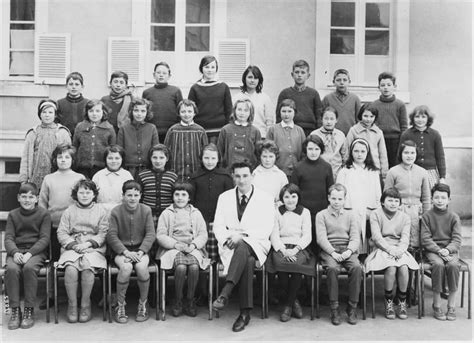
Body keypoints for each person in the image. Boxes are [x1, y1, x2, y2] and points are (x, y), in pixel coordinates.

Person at [212, 161, 274, 332]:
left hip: (257, 242)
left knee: (244, 248)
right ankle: (244, 314)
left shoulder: (265, 198)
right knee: (247, 260)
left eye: (245, 176)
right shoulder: (224, 197)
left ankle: (226, 292)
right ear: (233, 177)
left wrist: (242, 237)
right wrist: (228, 238)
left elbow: (266, 227)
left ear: (252, 176)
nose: (242, 180)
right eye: (237, 176)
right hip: (231, 244)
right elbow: (218, 225)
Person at [56, 179, 108, 323]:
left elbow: (103, 233)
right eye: (81, 192)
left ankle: (85, 304)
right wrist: (73, 245)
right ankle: (72, 305)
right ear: (76, 194)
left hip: (93, 248)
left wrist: (88, 244)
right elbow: (62, 233)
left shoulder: (101, 211)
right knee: (71, 269)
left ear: (94, 194)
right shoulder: (69, 211)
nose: (84, 195)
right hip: (73, 247)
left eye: (88, 192)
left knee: (87, 268)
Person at [365, 188, 419, 320]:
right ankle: (388, 301)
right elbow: (377, 237)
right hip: (381, 248)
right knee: (391, 267)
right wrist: (390, 250)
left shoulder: (405, 217)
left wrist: (399, 250)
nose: (393, 203)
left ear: (400, 203)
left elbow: (405, 238)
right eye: (390, 200)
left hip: (399, 248)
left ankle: (401, 301)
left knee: (404, 267)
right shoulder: (375, 214)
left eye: (396, 201)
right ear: (382, 202)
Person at [156, 182, 209, 317]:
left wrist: (194, 245)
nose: (180, 198)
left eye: (184, 195)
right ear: (173, 196)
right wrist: (175, 244)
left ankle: (190, 300)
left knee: (194, 268)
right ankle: (178, 300)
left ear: (189, 197)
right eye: (177, 194)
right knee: (180, 268)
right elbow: (161, 235)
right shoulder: (166, 213)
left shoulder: (196, 213)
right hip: (173, 248)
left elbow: (203, 234)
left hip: (192, 247)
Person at [107, 180, 155, 323]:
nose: (132, 198)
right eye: (129, 195)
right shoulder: (116, 211)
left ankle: (143, 303)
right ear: (123, 196)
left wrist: (141, 251)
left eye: (135, 195)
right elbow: (111, 235)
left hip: (141, 251)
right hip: (123, 251)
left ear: (140, 195)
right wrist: (125, 252)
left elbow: (151, 234)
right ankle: (120, 305)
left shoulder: (146, 210)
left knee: (141, 267)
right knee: (126, 268)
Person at [4, 183, 51, 330]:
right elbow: (9, 238)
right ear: (18, 198)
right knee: (11, 269)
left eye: (31, 197)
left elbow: (44, 238)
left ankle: (29, 310)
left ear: (36, 199)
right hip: (17, 251)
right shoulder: (13, 214)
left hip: (36, 252)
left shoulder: (44, 214)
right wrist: (15, 252)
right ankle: (15, 310)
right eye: (24, 196)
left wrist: (30, 253)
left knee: (29, 268)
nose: (27, 200)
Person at [316, 183, 361, 325]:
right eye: (334, 198)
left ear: (344, 199)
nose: (336, 202)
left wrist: (348, 251)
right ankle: (334, 308)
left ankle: (352, 307)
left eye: (340, 199)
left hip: (348, 249)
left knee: (357, 268)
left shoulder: (351, 215)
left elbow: (355, 238)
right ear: (328, 198)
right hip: (329, 250)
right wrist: (333, 253)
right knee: (332, 268)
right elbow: (321, 238)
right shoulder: (321, 215)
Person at [267, 183, 312, 322]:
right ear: (282, 198)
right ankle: (294, 302)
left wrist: (295, 250)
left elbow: (307, 235)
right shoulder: (276, 212)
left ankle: (287, 305)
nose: (290, 200)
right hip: (281, 246)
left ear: (298, 197)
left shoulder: (305, 212)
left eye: (293, 196)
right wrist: (283, 250)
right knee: (280, 263)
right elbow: (274, 235)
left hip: (299, 246)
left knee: (297, 264)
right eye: (286, 197)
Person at [421, 183, 462, 321]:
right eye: (436, 197)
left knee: (453, 265)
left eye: (443, 197)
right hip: (433, 250)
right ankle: (437, 304)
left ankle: (451, 305)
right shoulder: (427, 216)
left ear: (449, 199)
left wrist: (448, 250)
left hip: (450, 250)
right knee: (438, 265)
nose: (440, 200)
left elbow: (457, 240)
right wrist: (439, 250)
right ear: (432, 199)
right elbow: (425, 238)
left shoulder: (454, 217)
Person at [39, 145, 85, 262]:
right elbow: (42, 203)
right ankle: (55, 279)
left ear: (73, 160)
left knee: (73, 257)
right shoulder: (49, 178)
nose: (63, 160)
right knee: (55, 257)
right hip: (54, 225)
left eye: (67, 157)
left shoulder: (79, 178)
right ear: (55, 160)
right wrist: (45, 221)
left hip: (74, 226)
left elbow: (84, 201)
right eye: (60, 157)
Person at [336, 138, 381, 254]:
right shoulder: (345, 171)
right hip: (350, 211)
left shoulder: (373, 172)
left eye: (362, 151)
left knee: (367, 241)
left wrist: (374, 211)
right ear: (351, 152)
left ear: (367, 153)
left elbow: (378, 195)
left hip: (368, 212)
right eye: (356, 151)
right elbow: (338, 193)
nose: (359, 154)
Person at [190, 143, 233, 262]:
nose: (210, 161)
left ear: (218, 158)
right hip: (200, 220)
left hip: (219, 221)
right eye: (206, 158)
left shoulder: (225, 176)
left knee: (217, 252)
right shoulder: (195, 177)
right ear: (201, 158)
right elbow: (191, 202)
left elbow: (230, 202)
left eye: (213, 158)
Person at [290, 134, 334, 252]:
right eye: (310, 149)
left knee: (319, 242)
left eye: (316, 149)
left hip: (322, 211)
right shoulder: (299, 167)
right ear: (305, 150)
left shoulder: (326, 167)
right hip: (304, 212)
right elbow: (294, 191)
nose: (313, 152)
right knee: (306, 243)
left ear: (321, 150)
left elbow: (330, 190)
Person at [384, 140, 431, 249]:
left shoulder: (422, 172)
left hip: (416, 211)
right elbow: (387, 195)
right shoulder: (393, 172)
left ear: (416, 154)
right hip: (398, 210)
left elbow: (426, 197)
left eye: (412, 153)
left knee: (415, 242)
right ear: (401, 154)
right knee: (399, 240)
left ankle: (416, 261)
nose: (409, 156)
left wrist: (426, 215)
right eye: (406, 153)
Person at [19, 99, 71, 190]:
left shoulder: (62, 132)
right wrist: (24, 179)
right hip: (36, 175)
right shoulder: (33, 133)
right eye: (44, 112)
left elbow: (69, 156)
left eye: (50, 112)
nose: (47, 115)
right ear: (40, 114)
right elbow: (25, 158)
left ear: (55, 115)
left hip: (56, 175)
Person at [400, 105, 446, 189]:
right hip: (411, 171)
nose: (420, 120)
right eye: (417, 117)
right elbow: (400, 156)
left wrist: (442, 177)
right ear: (413, 118)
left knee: (430, 197)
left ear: (428, 119)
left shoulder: (435, 134)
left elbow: (440, 157)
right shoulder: (406, 134)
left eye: (423, 117)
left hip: (430, 172)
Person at [188, 55, 232, 143]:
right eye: (206, 67)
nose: (210, 70)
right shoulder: (195, 88)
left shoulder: (223, 86)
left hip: (219, 131)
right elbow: (190, 109)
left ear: (216, 69)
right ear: (201, 68)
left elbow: (229, 110)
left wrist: (227, 130)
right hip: (200, 131)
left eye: (213, 67)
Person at [164, 99, 208, 180]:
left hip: (196, 172)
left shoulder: (200, 130)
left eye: (189, 111)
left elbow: (206, 151)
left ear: (194, 113)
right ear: (179, 113)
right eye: (183, 111)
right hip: (177, 173)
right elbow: (166, 151)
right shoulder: (173, 130)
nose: (186, 114)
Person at [370, 72, 408, 168]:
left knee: (395, 167)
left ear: (394, 86)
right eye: (382, 85)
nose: (386, 87)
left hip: (396, 142)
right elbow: (371, 125)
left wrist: (401, 145)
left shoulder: (400, 105)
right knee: (380, 166)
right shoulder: (374, 105)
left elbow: (404, 127)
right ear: (378, 87)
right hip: (379, 140)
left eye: (389, 85)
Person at [276, 60, 323, 136]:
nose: (299, 75)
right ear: (292, 74)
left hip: (310, 131)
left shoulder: (313, 93)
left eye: (303, 72)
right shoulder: (285, 93)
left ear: (308, 75)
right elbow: (279, 116)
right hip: (290, 130)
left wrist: (318, 133)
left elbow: (319, 116)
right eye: (297, 72)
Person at [73, 99, 116, 179]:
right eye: (91, 111)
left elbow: (112, 148)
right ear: (87, 112)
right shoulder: (80, 127)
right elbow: (75, 146)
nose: (94, 114)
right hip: (82, 167)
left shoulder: (109, 128)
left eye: (97, 111)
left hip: (101, 167)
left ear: (103, 112)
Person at [137, 144, 178, 226]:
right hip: (147, 216)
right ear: (150, 158)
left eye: (161, 157)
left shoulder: (173, 177)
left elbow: (175, 198)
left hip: (167, 216)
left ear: (167, 159)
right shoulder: (142, 176)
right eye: (155, 157)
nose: (158, 161)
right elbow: (139, 197)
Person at [117, 98, 159, 178]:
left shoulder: (152, 128)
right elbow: (120, 151)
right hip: (128, 169)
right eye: (136, 110)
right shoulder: (124, 129)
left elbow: (155, 149)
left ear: (147, 113)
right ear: (131, 112)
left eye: (143, 111)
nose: (139, 114)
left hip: (147, 168)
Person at [142, 62, 183, 142]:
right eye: (158, 73)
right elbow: (144, 114)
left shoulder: (176, 91)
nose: (161, 75)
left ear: (169, 76)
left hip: (172, 132)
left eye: (164, 73)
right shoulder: (147, 93)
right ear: (154, 75)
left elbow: (180, 112)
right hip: (153, 132)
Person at [346, 103, 389, 179]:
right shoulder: (354, 131)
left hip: (374, 168)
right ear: (360, 115)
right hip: (357, 168)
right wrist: (347, 166)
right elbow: (347, 150)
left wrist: (384, 171)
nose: (368, 119)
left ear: (375, 117)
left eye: (371, 116)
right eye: (365, 116)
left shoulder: (378, 132)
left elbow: (382, 153)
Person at [217, 98, 261, 169]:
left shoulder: (255, 131)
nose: (242, 113)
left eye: (246, 110)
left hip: (249, 171)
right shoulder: (225, 130)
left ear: (251, 112)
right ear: (234, 111)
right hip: (229, 170)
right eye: (239, 109)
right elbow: (220, 152)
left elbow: (258, 155)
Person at [266, 99, 306, 178]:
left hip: (296, 172)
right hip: (278, 171)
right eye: (283, 111)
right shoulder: (273, 130)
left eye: (289, 111)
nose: (286, 114)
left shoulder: (299, 130)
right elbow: (268, 150)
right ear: (279, 112)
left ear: (294, 112)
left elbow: (304, 152)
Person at [234, 65, 274, 138]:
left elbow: (269, 122)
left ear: (259, 80)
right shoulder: (237, 98)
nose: (252, 80)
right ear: (244, 79)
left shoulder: (265, 98)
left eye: (255, 78)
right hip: (241, 136)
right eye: (250, 77)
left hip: (261, 137)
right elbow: (233, 119)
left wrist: (267, 139)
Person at [92, 145, 133, 212]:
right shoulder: (98, 176)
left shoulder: (127, 175)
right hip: (101, 213)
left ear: (122, 159)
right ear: (105, 159)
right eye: (110, 158)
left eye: (117, 158)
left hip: (121, 212)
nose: (113, 161)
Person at [311, 106, 348, 179]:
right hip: (319, 173)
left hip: (337, 173)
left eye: (332, 119)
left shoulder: (340, 135)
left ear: (336, 120)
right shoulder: (314, 135)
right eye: (326, 118)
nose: (329, 122)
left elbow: (345, 155)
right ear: (321, 119)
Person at [321, 69, 361, 135]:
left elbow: (359, 120)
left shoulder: (355, 99)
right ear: (333, 82)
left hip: (350, 136)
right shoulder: (327, 98)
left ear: (349, 82)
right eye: (338, 80)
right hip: (332, 136)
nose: (342, 82)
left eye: (345, 80)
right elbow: (322, 119)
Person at [57, 72, 89, 136]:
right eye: (71, 84)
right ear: (66, 86)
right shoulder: (59, 103)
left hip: (83, 138)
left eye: (77, 84)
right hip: (65, 138)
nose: (74, 87)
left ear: (82, 87)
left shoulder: (87, 103)